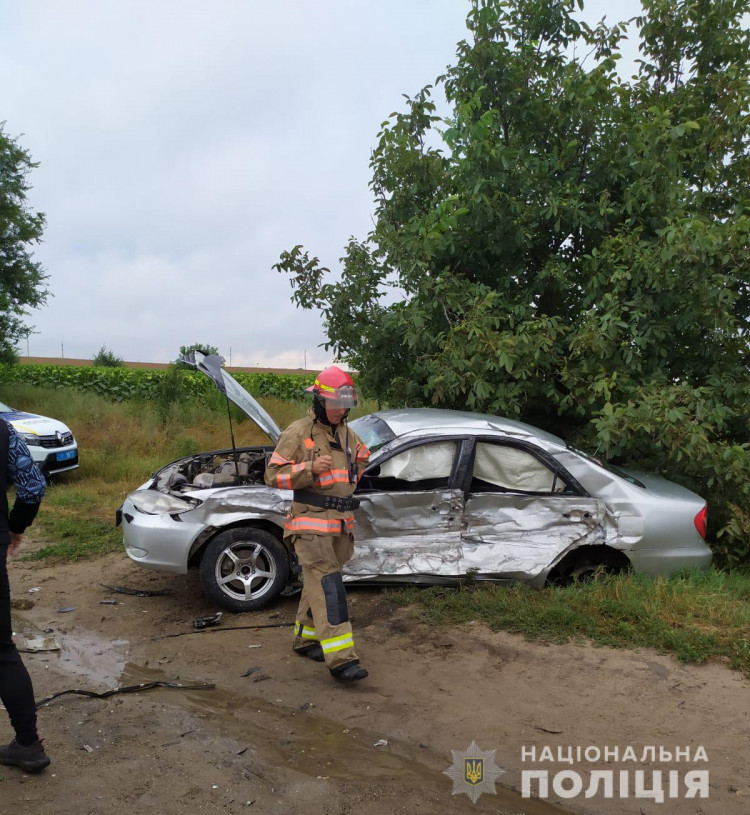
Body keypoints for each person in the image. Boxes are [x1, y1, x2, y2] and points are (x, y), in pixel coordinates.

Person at [265, 366, 370, 682]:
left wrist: (351, 479)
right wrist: (309, 469)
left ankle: (306, 638)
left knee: (317, 584)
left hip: (340, 525)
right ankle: (341, 659)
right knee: (329, 587)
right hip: (310, 526)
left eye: (345, 403)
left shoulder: (347, 434)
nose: (341, 409)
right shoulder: (298, 433)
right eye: (336, 403)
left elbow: (363, 457)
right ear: (321, 401)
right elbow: (273, 476)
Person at [0, 418, 49, 772]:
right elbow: (31, 486)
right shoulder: (2, 429)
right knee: (1, 651)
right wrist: (15, 528)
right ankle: (28, 746)